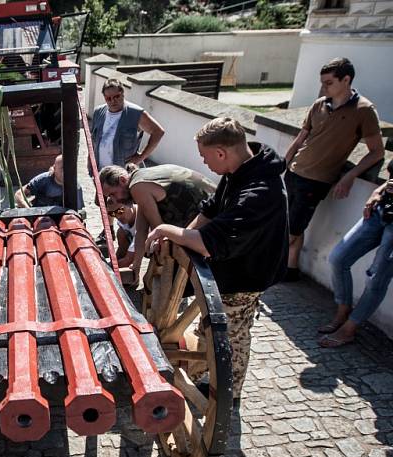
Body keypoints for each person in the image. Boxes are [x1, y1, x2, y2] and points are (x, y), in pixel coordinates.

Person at [145, 118, 288, 406]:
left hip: (248, 273)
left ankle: (228, 393)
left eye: (205, 156)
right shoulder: (239, 171)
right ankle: (203, 370)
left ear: (221, 152)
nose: (204, 162)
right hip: (232, 265)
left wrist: (166, 230)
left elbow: (209, 241)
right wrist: (182, 237)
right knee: (212, 326)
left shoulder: (259, 192)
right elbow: (208, 214)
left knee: (232, 332)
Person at [283, 57, 384, 282]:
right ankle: (290, 269)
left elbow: (377, 151)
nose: (323, 87)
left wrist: (350, 175)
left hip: (316, 180)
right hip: (294, 172)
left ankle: (267, 268)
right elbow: (301, 138)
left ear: (346, 80)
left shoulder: (364, 110)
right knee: (290, 224)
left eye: (328, 83)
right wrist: (284, 164)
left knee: (292, 229)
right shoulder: (319, 104)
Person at [318, 159, 393, 348]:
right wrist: (378, 191)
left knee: (376, 278)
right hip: (381, 209)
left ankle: (350, 327)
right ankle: (343, 310)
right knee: (339, 258)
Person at [101, 163, 216, 281]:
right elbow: (141, 230)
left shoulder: (138, 187)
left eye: (113, 194)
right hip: (205, 206)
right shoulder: (139, 181)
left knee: (156, 247)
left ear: (122, 180)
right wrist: (136, 265)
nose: (115, 200)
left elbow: (159, 230)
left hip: (210, 212)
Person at [90, 78, 164, 171]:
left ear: (123, 94)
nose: (113, 101)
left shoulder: (135, 113)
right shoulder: (98, 112)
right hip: (101, 172)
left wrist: (140, 157)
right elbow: (92, 142)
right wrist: (90, 166)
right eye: (108, 98)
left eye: (116, 96)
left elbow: (158, 132)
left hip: (123, 174)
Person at [14, 155, 84, 209]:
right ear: (54, 169)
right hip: (39, 217)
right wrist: (28, 211)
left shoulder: (75, 188)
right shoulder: (43, 180)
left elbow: (77, 213)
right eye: (62, 168)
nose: (65, 172)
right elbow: (19, 194)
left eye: (68, 168)